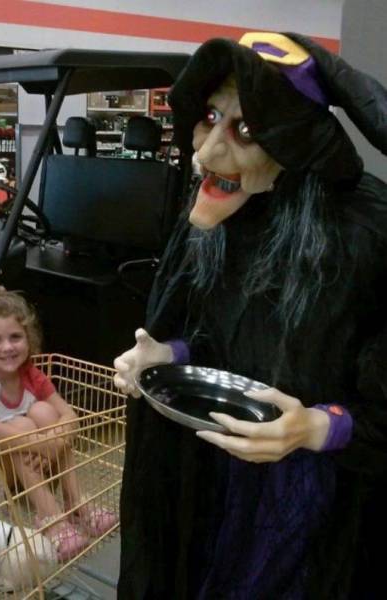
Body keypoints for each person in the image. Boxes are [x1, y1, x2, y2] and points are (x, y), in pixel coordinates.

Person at [113, 32, 387, 599]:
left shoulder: (366, 233)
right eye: (210, 117)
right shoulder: (217, 212)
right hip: (211, 473)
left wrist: (318, 426)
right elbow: (217, 335)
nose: (208, 153)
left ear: (293, 141)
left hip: (309, 503)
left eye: (244, 130)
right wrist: (167, 354)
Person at [0, 284, 116, 561]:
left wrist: (53, 442)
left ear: (28, 339)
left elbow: (70, 416)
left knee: (44, 412)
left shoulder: (31, 374)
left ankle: (75, 501)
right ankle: (50, 518)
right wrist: (45, 443)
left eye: (16, 337)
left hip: (29, 459)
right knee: (21, 427)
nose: (7, 347)